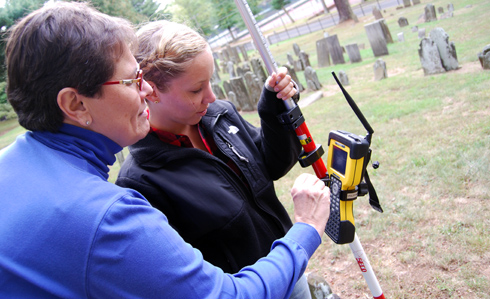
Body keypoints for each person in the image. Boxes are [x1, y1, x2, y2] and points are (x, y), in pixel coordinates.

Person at [0, 2, 331, 299]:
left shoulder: (13, 168)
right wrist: (305, 229)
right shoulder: (110, 216)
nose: (146, 90)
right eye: (131, 81)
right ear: (75, 104)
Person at [115, 20, 310, 298]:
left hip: (287, 267)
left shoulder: (220, 115)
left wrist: (274, 108)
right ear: (151, 89)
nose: (211, 95)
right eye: (196, 90)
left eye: (210, 82)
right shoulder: (142, 180)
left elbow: (271, 165)